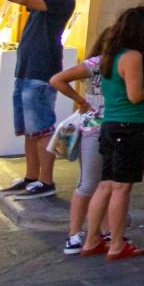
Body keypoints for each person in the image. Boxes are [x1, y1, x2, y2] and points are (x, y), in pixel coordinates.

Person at [0, 0, 78, 200]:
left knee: (42, 129)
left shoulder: (63, 1)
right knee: (29, 130)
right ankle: (31, 177)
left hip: (42, 71)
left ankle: (46, 181)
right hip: (26, 69)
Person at [79, 4, 144, 259]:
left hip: (111, 123)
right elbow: (135, 96)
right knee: (122, 188)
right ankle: (116, 242)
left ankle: (92, 240)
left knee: (105, 185)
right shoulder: (132, 56)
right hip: (130, 124)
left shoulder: (109, 56)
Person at [48, 41, 107, 254]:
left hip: (110, 127)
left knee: (105, 182)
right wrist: (80, 100)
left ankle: (102, 229)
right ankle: (73, 234)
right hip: (93, 127)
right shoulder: (96, 64)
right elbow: (57, 79)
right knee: (89, 182)